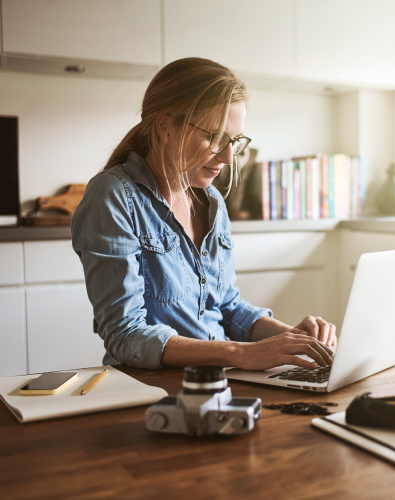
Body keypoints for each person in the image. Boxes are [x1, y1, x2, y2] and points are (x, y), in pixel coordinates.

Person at [72, 57, 336, 372]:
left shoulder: (211, 202)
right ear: (165, 128)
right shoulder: (114, 196)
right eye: (214, 138)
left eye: (234, 142)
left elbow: (227, 307)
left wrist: (294, 338)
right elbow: (125, 335)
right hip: (151, 387)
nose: (227, 157)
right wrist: (241, 354)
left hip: (221, 380)